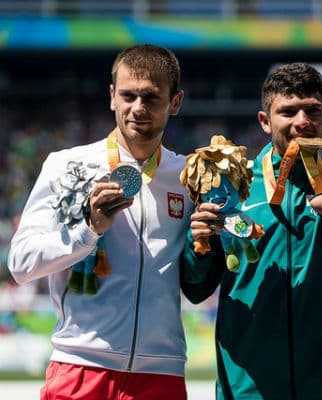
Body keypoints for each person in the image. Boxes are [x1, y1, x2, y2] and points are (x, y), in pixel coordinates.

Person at [8, 44, 221, 400]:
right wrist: (87, 230)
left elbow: (195, 280)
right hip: (80, 366)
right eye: (128, 95)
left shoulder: (191, 177)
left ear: (176, 102)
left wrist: (207, 245)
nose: (138, 107)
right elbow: (20, 263)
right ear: (112, 97)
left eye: (151, 97)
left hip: (161, 371)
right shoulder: (67, 166)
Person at [191, 62, 322, 399]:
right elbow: (196, 286)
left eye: (313, 111)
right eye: (288, 111)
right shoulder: (232, 184)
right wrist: (199, 242)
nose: (302, 120)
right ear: (265, 121)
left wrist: (321, 193)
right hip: (248, 383)